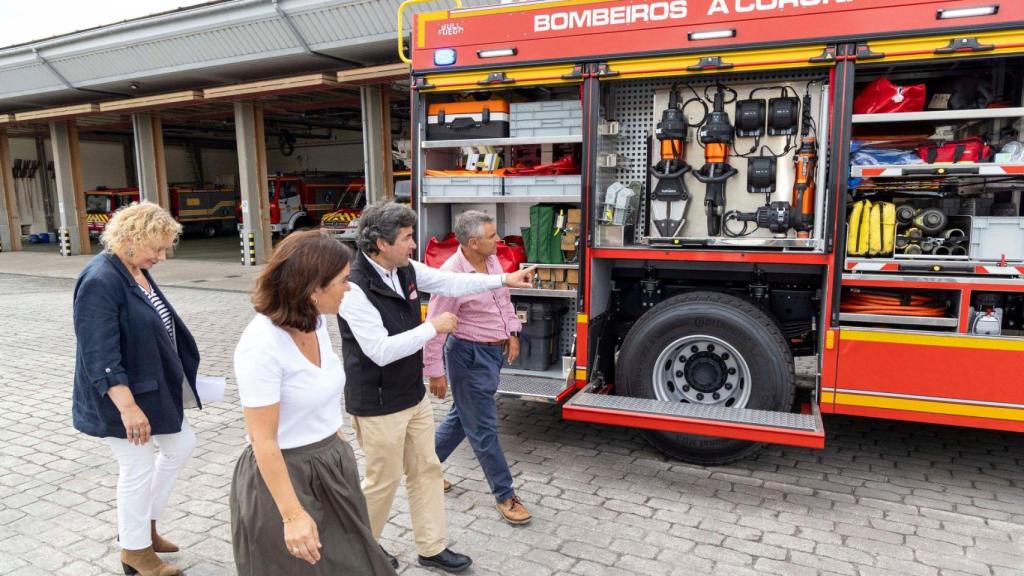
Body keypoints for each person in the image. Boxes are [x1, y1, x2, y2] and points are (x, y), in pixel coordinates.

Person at [338, 202, 536, 573]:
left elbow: (452, 282)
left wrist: (504, 280)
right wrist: (433, 328)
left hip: (411, 395)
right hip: (377, 401)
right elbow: (379, 351)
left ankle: (431, 548)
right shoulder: (353, 288)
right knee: (382, 481)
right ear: (381, 243)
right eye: (407, 238)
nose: (415, 245)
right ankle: (359, 551)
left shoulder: (405, 269)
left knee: (427, 471)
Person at [231, 230, 396, 576]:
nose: (349, 288)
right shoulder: (261, 345)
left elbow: (320, 387)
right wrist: (292, 516)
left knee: (356, 563)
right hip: (284, 475)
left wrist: (334, 436)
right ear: (312, 288)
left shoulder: (315, 322)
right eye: (343, 280)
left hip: (330, 465)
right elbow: (263, 440)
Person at [72, 201, 200, 576]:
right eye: (156, 248)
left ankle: (145, 526)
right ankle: (135, 550)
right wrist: (128, 408)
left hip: (149, 388)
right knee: (137, 465)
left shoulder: (135, 269)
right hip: (119, 396)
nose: (161, 256)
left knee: (181, 444)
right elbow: (100, 354)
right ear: (131, 238)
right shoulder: (100, 280)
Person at [424, 211, 532, 525]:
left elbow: (504, 300)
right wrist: (435, 371)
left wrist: (511, 332)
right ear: (473, 243)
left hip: (490, 354)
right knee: (483, 429)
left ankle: (422, 470)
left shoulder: (492, 260)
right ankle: (505, 495)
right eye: (491, 236)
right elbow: (435, 324)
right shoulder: (451, 276)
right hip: (468, 357)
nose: (498, 240)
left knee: (462, 417)